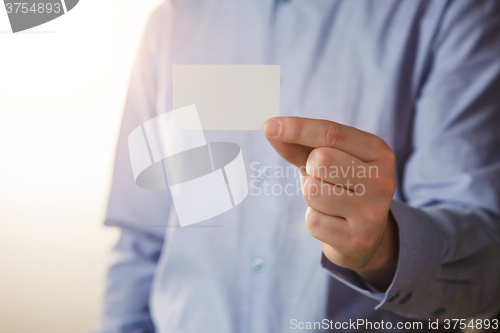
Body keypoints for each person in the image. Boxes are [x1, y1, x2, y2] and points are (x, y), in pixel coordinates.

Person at [97, 1, 500, 332]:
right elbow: (140, 239)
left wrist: (384, 250)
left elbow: (486, 266)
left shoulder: (452, 13)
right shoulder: (173, 23)